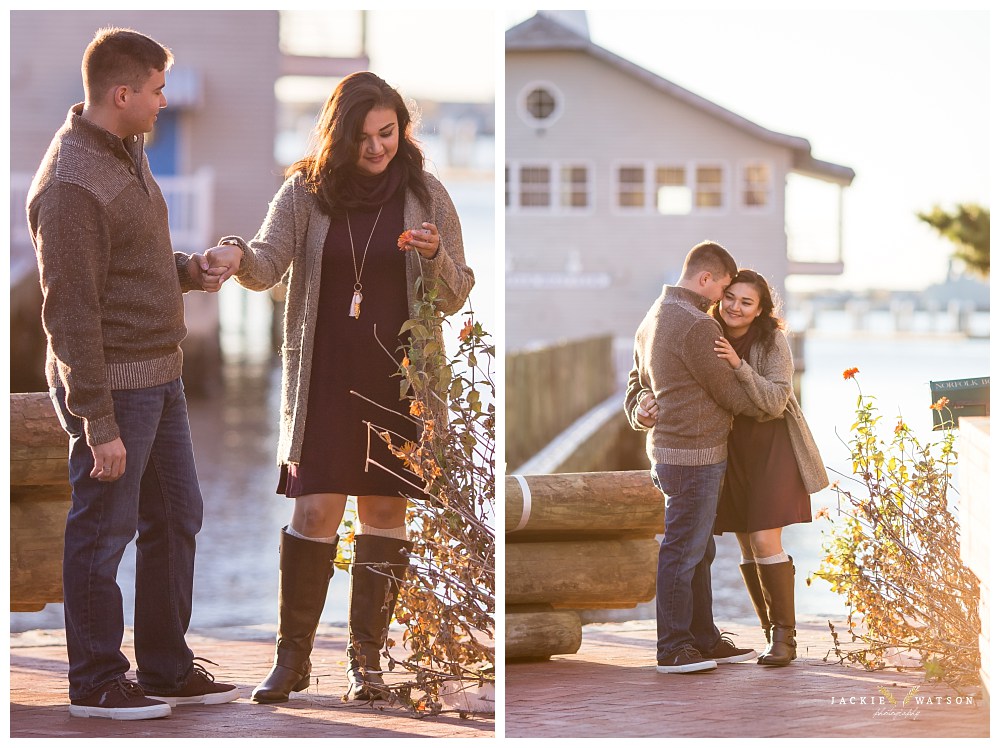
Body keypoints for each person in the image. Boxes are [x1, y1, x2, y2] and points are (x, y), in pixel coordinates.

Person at [198, 71, 475, 703]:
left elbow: (457, 293)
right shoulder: (306, 192)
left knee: (383, 512)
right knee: (315, 511)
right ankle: (290, 661)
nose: (377, 147)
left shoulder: (426, 194)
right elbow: (269, 264)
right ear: (338, 133)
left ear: (401, 130)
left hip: (397, 379)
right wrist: (238, 255)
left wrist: (435, 258)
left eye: (388, 132)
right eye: (363, 135)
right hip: (324, 376)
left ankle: (366, 664)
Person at [26, 27, 238, 720]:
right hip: (113, 387)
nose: (162, 101)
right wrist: (97, 422)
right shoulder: (70, 186)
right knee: (102, 530)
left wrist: (188, 272)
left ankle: (167, 669)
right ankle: (94, 681)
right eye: (155, 91)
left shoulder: (125, 149)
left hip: (162, 373)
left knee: (178, 515)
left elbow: (132, 263)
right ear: (122, 93)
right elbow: (71, 314)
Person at [625, 241, 769, 674]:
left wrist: (638, 411)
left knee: (698, 549)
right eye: (724, 289)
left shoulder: (653, 315)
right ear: (706, 278)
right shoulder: (696, 325)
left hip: (669, 453)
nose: (723, 301)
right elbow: (729, 394)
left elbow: (635, 382)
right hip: (694, 457)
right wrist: (770, 403)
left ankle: (703, 638)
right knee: (683, 551)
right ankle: (672, 647)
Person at [711, 269, 829, 667]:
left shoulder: (772, 339)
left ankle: (785, 638)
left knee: (764, 539)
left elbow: (777, 400)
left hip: (772, 444)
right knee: (746, 542)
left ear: (761, 309)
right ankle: (769, 634)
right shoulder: (706, 331)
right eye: (730, 297)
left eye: (747, 301)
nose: (735, 306)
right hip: (730, 448)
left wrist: (737, 365)